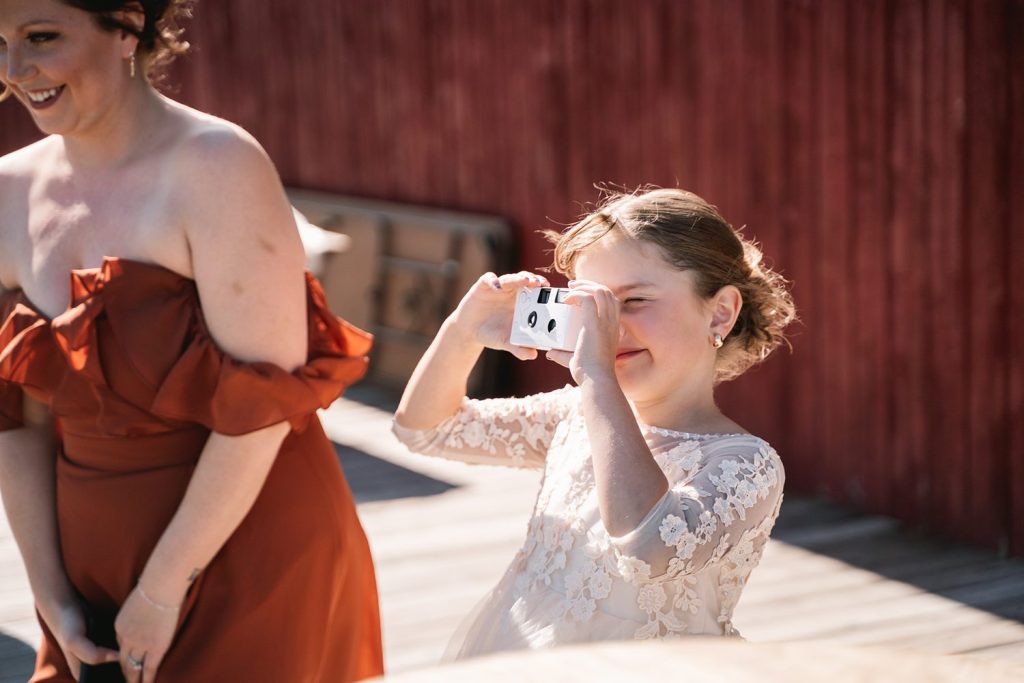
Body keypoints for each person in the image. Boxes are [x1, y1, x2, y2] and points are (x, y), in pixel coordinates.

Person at [0, 1, 383, 681]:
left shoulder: (217, 165)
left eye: (40, 37)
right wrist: (48, 590)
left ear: (125, 25)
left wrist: (159, 587)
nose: (14, 69)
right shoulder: (8, 189)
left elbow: (262, 413)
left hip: (247, 555)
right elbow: (15, 418)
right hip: (84, 582)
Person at [393, 187, 797, 658]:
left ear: (721, 311)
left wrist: (596, 374)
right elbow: (424, 429)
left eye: (634, 300)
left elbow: (647, 543)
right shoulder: (574, 413)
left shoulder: (747, 464)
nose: (609, 329)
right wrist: (463, 331)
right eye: (593, 307)